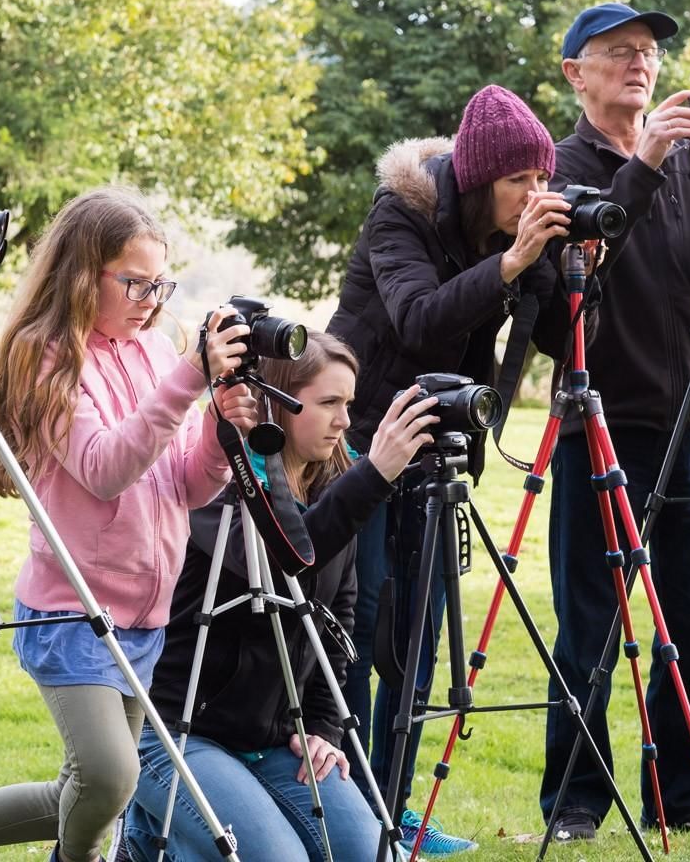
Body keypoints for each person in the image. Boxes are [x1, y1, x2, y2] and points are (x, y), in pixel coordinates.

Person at [0, 188, 258, 862]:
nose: (150, 299)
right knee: (109, 775)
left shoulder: (156, 352)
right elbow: (103, 468)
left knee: (94, 786)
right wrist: (189, 382)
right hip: (72, 605)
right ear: (82, 273)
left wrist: (219, 433)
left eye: (160, 284)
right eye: (133, 282)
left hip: (144, 608)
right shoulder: (48, 356)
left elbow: (185, 487)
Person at [540, 2, 690, 841]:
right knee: (591, 631)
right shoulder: (556, 168)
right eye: (618, 53)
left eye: (647, 53)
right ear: (576, 72)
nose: (640, 65)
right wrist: (640, 165)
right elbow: (575, 277)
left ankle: (681, 794)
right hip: (601, 423)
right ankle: (574, 803)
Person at [325, 84, 575, 847]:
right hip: (358, 439)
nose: (534, 195)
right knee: (360, 628)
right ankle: (344, 811)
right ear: (476, 180)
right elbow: (421, 319)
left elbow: (564, 342)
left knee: (418, 634)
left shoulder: (511, 234)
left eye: (543, 180)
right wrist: (513, 260)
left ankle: (391, 811)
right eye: (518, 183)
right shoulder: (398, 213)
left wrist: (565, 264)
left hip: (436, 451)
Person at [124, 331, 472, 860]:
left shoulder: (331, 487)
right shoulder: (218, 478)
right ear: (277, 406)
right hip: (178, 734)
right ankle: (152, 836)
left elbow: (337, 622)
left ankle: (167, 835)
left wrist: (323, 728)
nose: (344, 421)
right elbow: (288, 554)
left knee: (372, 854)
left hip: (272, 742)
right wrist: (372, 476)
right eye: (329, 403)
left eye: (348, 404)